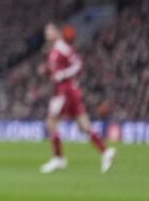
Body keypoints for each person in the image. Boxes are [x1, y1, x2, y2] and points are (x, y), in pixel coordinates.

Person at [39, 23, 116, 174]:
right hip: (66, 90)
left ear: (57, 32)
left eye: (50, 31)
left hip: (66, 90)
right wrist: (47, 71)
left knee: (51, 121)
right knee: (83, 125)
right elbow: (57, 70)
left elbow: (78, 64)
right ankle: (106, 152)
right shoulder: (52, 50)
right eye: (46, 31)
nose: (47, 34)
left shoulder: (63, 47)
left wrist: (62, 75)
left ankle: (59, 159)